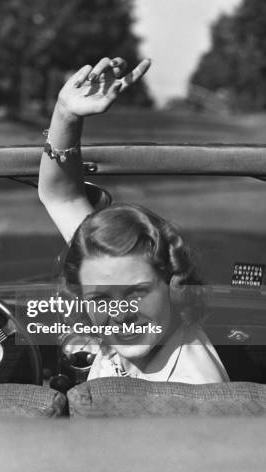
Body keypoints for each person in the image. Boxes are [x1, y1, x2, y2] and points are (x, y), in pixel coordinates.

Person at [38, 57, 229, 383]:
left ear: (173, 284)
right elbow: (62, 196)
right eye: (99, 299)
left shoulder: (194, 388)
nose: (119, 315)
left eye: (136, 293)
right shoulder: (110, 274)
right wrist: (65, 114)